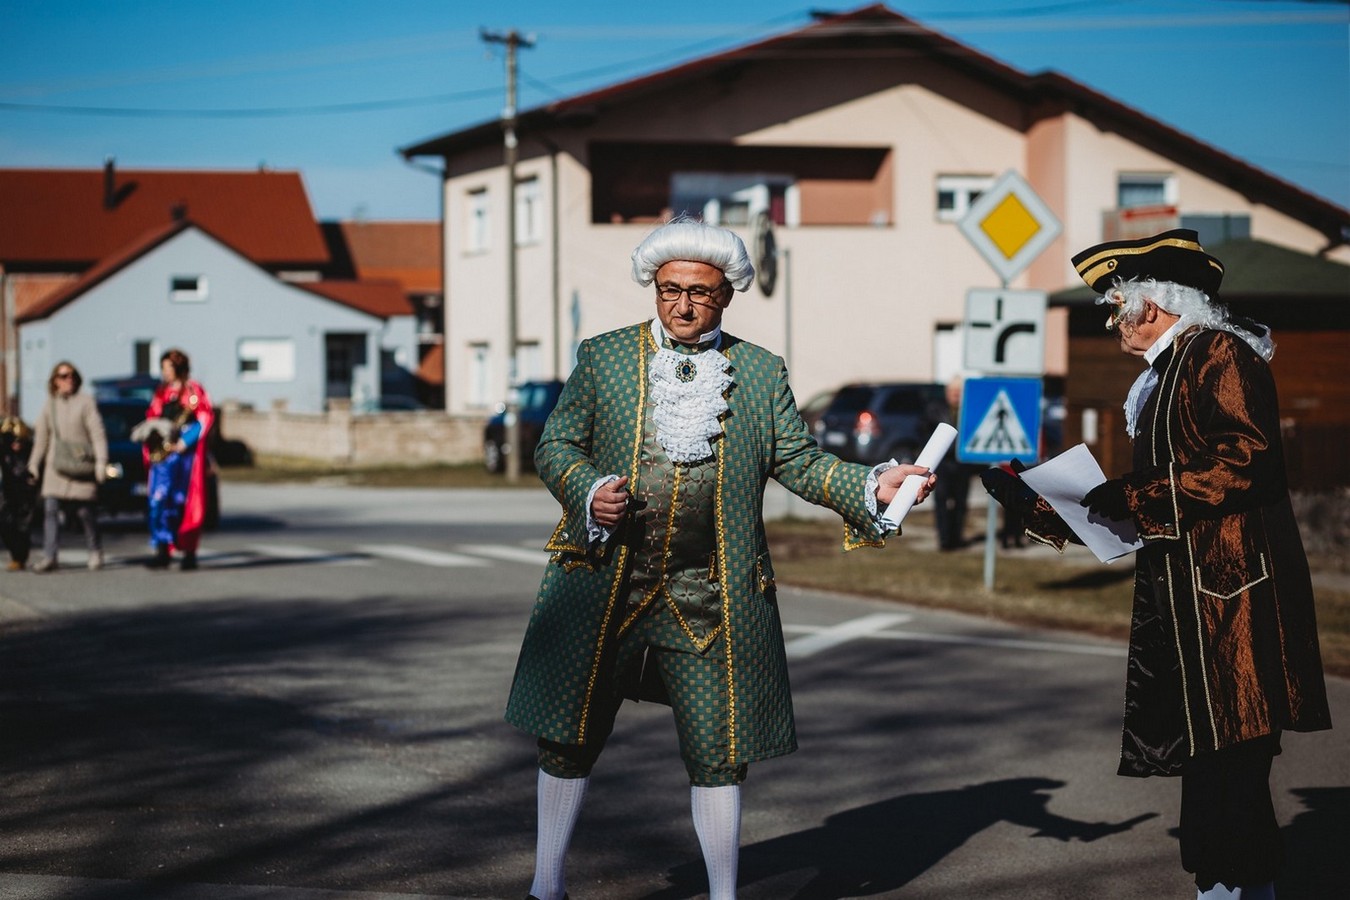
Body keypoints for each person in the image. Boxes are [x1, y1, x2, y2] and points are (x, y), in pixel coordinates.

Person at [505, 218, 936, 900]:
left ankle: (724, 896)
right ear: (654, 287)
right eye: (670, 289)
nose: (682, 305)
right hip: (605, 584)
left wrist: (869, 481)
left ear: (726, 296)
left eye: (700, 294)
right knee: (569, 735)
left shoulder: (760, 373)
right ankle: (546, 885)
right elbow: (557, 446)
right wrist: (587, 491)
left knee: (720, 751)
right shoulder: (604, 357)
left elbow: (797, 461)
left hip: (711, 592)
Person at [985, 229, 1331, 899]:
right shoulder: (1171, 368)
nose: (1113, 321)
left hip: (1233, 596)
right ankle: (1221, 888)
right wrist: (1033, 505)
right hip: (1188, 596)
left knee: (1232, 764)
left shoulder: (1219, 353)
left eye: (1116, 306)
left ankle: (1236, 888)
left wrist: (1139, 493)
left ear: (1155, 303)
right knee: (1208, 763)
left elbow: (1245, 460)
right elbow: (1134, 504)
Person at [27, 362, 108, 572]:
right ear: (55, 381)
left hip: (82, 466)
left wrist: (101, 463)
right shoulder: (49, 405)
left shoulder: (86, 402)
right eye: (63, 376)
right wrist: (34, 465)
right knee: (50, 510)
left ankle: (95, 550)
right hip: (56, 468)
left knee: (85, 513)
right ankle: (50, 556)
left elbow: (98, 435)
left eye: (71, 375)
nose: (68, 379)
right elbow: (41, 439)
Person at [144, 349, 214, 571]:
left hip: (185, 458)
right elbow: (152, 416)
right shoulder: (161, 392)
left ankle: (189, 552)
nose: (165, 372)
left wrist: (184, 442)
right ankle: (163, 548)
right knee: (159, 499)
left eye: (168, 368)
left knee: (182, 501)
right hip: (163, 457)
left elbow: (204, 417)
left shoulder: (193, 391)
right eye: (163, 368)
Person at [931, 375, 982, 551]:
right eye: (953, 391)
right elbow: (925, 433)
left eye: (959, 392)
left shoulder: (970, 411)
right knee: (942, 502)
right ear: (947, 393)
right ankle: (944, 539)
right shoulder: (935, 410)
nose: (955, 395)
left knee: (960, 503)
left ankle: (957, 537)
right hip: (943, 464)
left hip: (962, 464)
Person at [0, 416, 38, 571]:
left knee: (23, 527)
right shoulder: (3, 451)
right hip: (7, 493)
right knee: (5, 524)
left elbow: (35, 468)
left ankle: (20, 557)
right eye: (13, 440)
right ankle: (16, 555)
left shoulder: (30, 450)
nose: (16, 444)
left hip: (26, 494)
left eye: (19, 440)